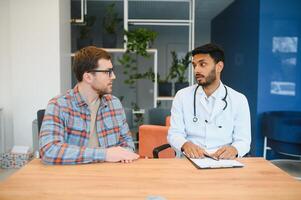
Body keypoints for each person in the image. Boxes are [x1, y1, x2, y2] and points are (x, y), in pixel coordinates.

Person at [39, 46, 139, 164]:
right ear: (88, 77)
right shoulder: (59, 105)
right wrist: (105, 154)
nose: (113, 76)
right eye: (108, 72)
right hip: (73, 178)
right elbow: (49, 150)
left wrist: (123, 155)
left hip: (110, 176)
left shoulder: (114, 104)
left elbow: (128, 145)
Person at [167, 43, 251, 159]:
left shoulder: (239, 100)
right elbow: (174, 134)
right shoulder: (182, 96)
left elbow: (244, 141)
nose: (197, 70)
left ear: (219, 67)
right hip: (190, 161)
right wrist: (185, 144)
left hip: (224, 163)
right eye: (194, 65)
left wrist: (234, 149)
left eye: (202, 64)